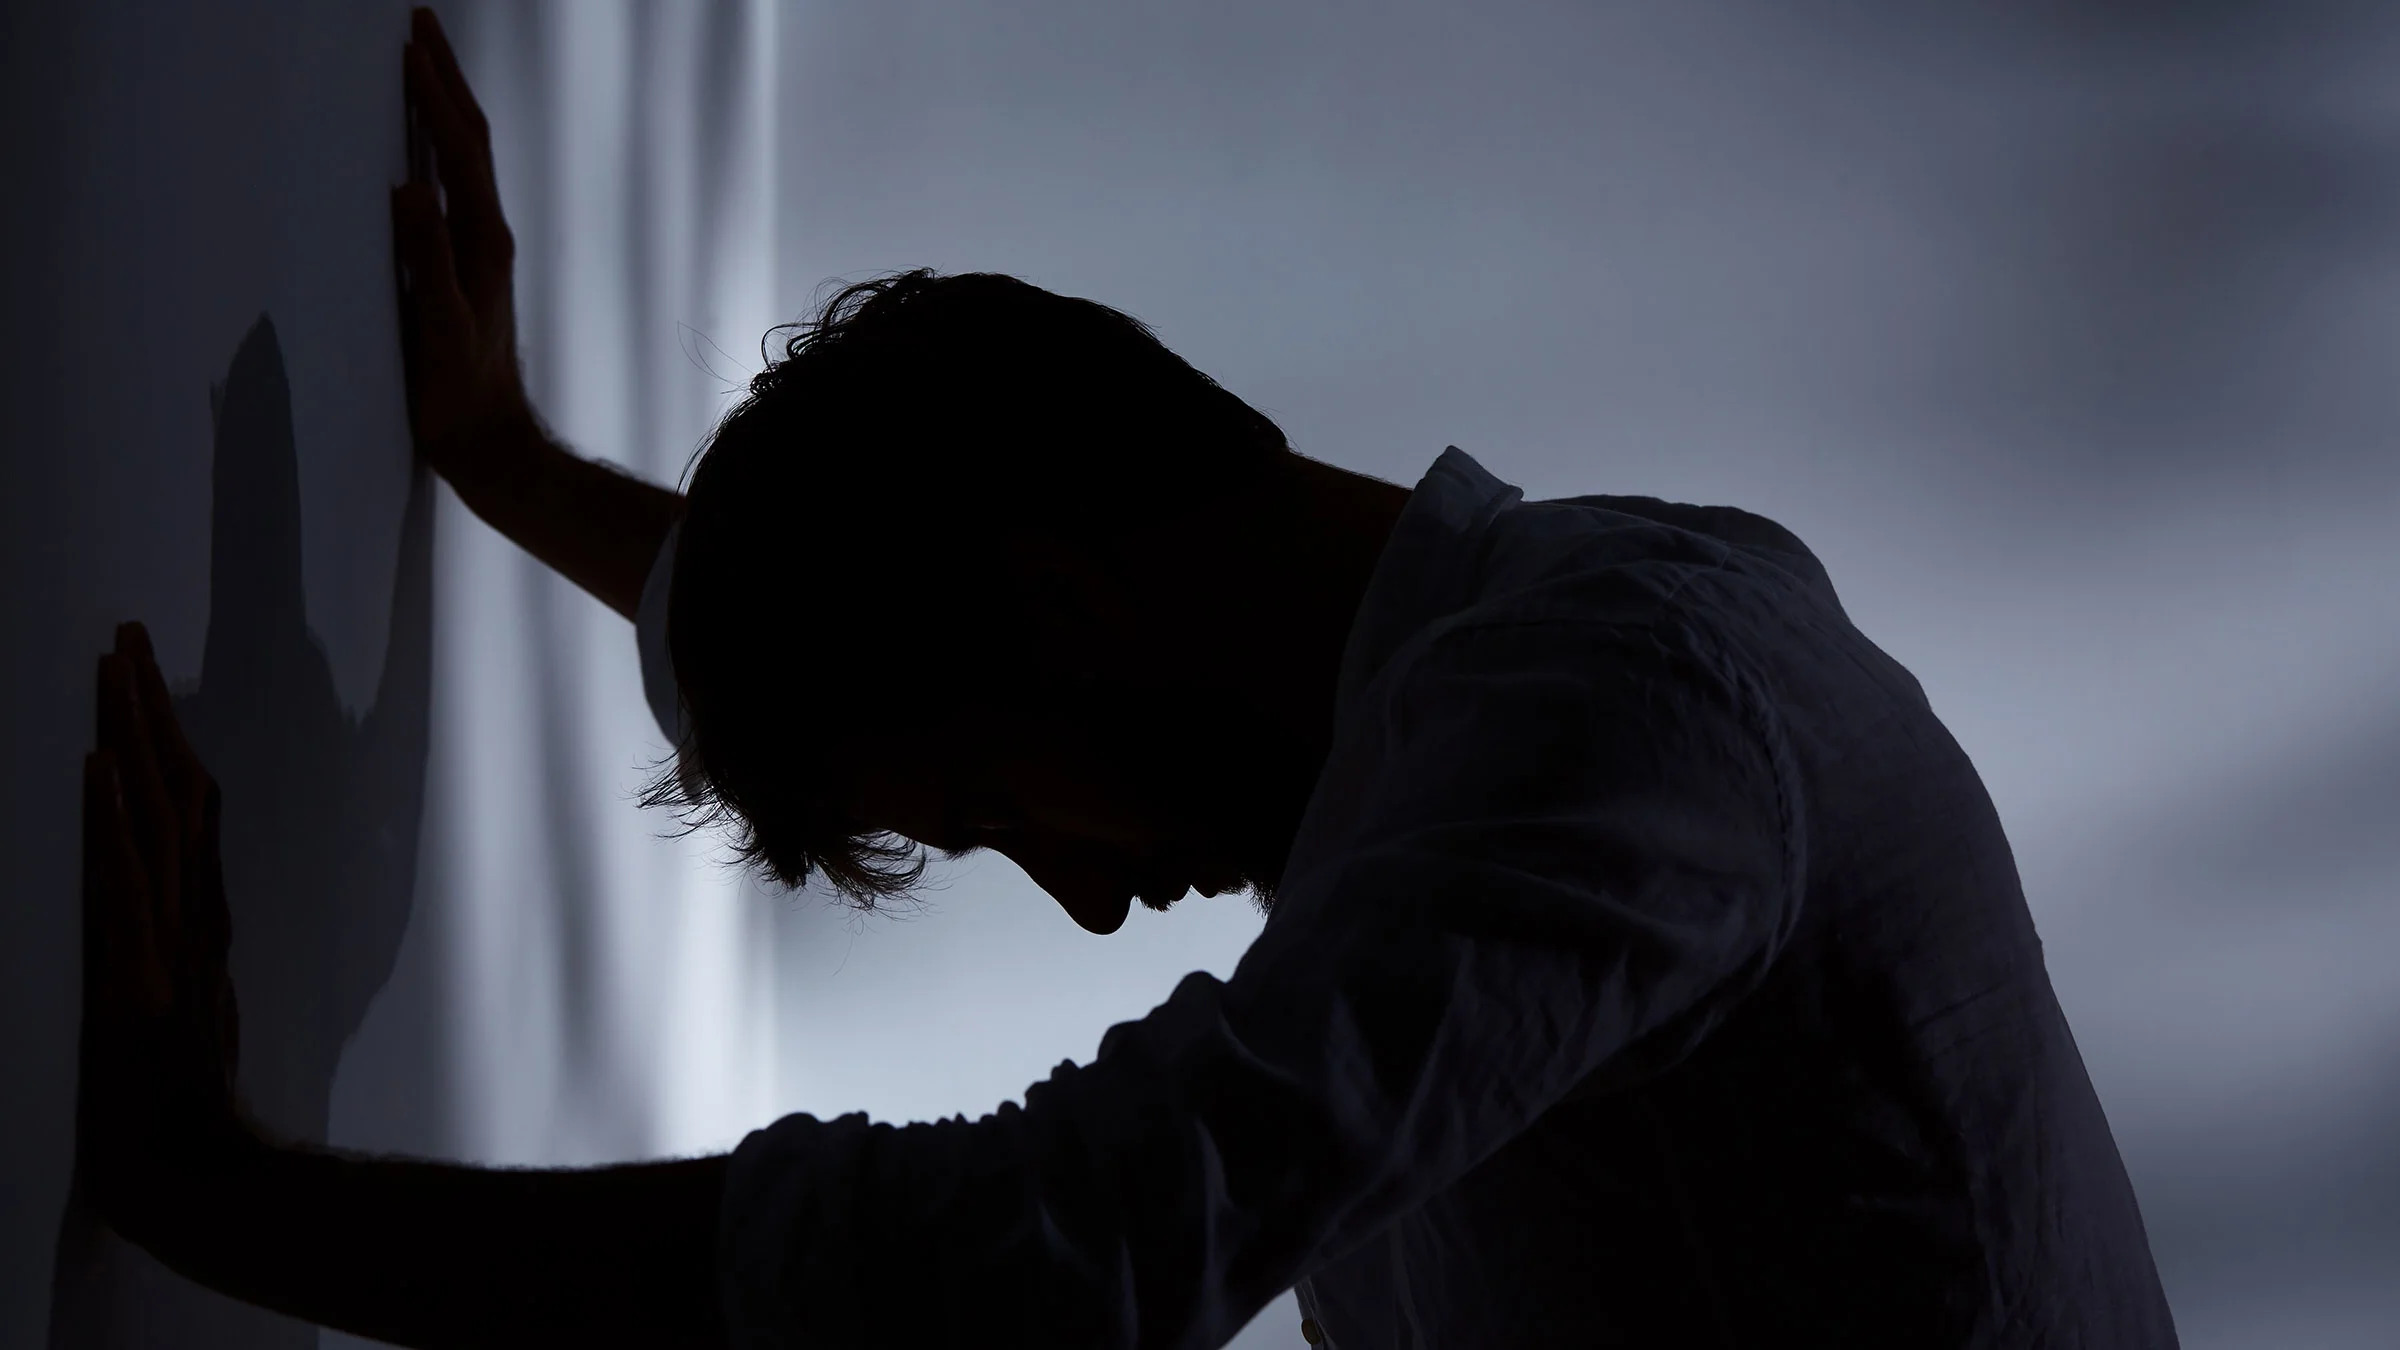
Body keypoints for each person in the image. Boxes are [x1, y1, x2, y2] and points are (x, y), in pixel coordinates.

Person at [71, 8, 2183, 1348]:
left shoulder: (1635, 718)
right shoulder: (1488, 740)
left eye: (992, 821)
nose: (1086, 902)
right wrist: (526, 477)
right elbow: (941, 625)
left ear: (1061, 612)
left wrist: (223, 1202)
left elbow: (1040, 1260)